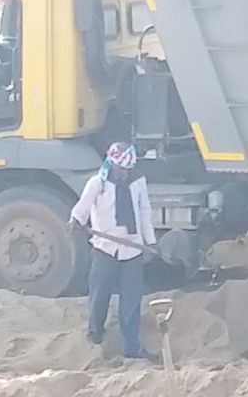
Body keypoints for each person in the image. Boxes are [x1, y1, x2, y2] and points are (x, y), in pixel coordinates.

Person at [68, 143, 157, 360]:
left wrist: (151, 241)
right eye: (121, 169)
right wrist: (75, 221)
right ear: (112, 164)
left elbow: (144, 210)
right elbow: (82, 207)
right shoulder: (98, 183)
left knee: (131, 301)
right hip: (104, 249)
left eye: (128, 169)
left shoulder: (138, 181)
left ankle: (132, 347)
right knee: (99, 296)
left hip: (132, 250)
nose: (124, 173)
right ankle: (95, 335)